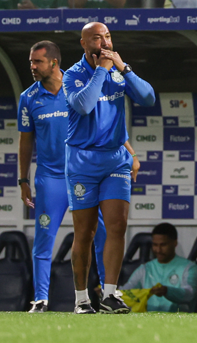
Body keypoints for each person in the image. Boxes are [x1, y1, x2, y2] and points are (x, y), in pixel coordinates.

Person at [62, 22, 154, 314]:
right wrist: (102, 70)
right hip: (82, 162)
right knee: (85, 233)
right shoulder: (73, 75)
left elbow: (148, 97)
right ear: (83, 43)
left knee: (117, 225)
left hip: (115, 158)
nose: (103, 42)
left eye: (108, 37)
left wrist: (123, 68)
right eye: (96, 38)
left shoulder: (118, 69)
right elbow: (85, 106)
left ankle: (110, 294)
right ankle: (81, 299)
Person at [18, 40, 106, 313]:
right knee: (44, 239)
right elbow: (25, 142)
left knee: (102, 234)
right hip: (50, 179)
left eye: (37, 62)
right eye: (31, 62)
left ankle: (108, 292)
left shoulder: (78, 84)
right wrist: (23, 180)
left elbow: (106, 122)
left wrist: (129, 152)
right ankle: (41, 299)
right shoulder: (28, 98)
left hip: (82, 174)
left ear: (54, 63)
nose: (32, 67)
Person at [120, 223, 197, 312]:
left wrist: (167, 291)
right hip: (147, 321)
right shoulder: (145, 268)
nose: (158, 250)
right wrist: (109, 293)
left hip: (178, 321)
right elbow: (127, 290)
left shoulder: (189, 267)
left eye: (163, 245)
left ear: (174, 243)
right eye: (155, 245)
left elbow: (189, 294)